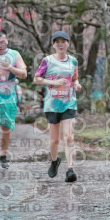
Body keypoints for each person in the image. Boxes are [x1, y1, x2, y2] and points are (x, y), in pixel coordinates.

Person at [33, 31, 82, 182]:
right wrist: (54, 82)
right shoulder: (47, 61)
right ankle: (55, 161)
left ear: (68, 43)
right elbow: (36, 79)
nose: (60, 44)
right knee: (54, 140)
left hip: (69, 103)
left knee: (69, 136)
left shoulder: (73, 61)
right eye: (57, 42)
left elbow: (75, 78)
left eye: (63, 41)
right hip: (52, 104)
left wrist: (76, 84)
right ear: (53, 44)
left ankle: (70, 170)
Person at [0, 30, 27, 169]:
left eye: (2, 42)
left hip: (8, 97)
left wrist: (10, 68)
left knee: (6, 128)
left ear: (7, 41)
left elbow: (24, 74)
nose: (0, 45)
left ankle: (3, 154)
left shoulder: (14, 54)